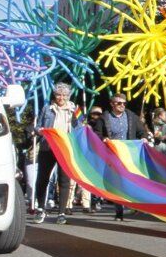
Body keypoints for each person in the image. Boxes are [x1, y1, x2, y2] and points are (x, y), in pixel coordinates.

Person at [91, 94, 149, 220]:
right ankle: (119, 210)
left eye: (124, 103)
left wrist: (144, 137)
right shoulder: (104, 118)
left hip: (129, 153)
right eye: (119, 103)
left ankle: (134, 205)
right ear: (112, 104)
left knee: (132, 179)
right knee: (117, 182)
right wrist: (103, 138)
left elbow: (141, 130)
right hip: (113, 153)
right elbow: (97, 134)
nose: (122, 105)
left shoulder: (131, 116)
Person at [32, 82, 81, 224]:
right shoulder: (47, 109)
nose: (61, 97)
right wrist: (39, 131)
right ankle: (41, 208)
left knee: (64, 180)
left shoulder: (74, 110)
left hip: (65, 149)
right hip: (48, 147)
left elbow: (79, 129)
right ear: (55, 95)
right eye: (59, 94)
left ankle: (61, 212)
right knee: (42, 178)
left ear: (68, 96)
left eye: (64, 95)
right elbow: (37, 126)